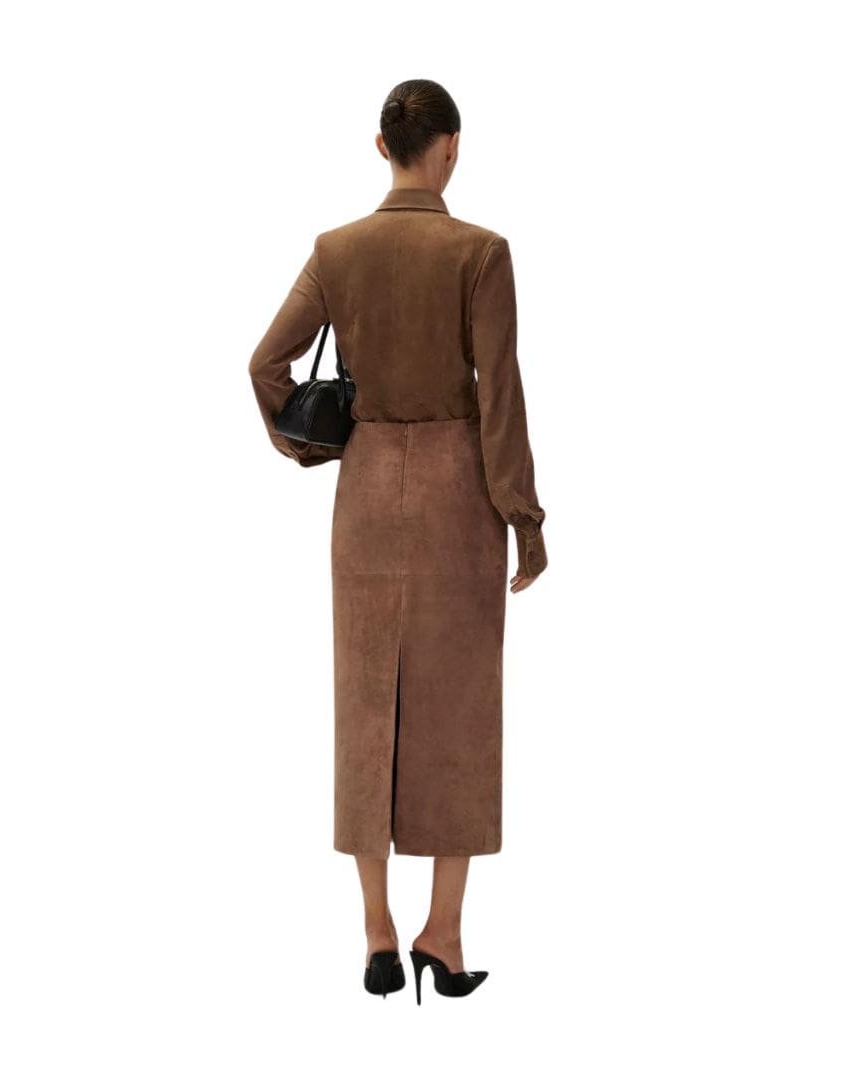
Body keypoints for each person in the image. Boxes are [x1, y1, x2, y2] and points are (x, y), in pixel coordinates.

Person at [248, 78, 548, 1003]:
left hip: (368, 491)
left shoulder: (337, 251)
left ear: (382, 146)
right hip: (461, 494)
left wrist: (312, 443)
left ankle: (377, 934)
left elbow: (265, 363)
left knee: (367, 697)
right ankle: (442, 933)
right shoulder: (480, 252)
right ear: (450, 147)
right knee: (461, 707)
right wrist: (524, 517)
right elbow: (500, 394)